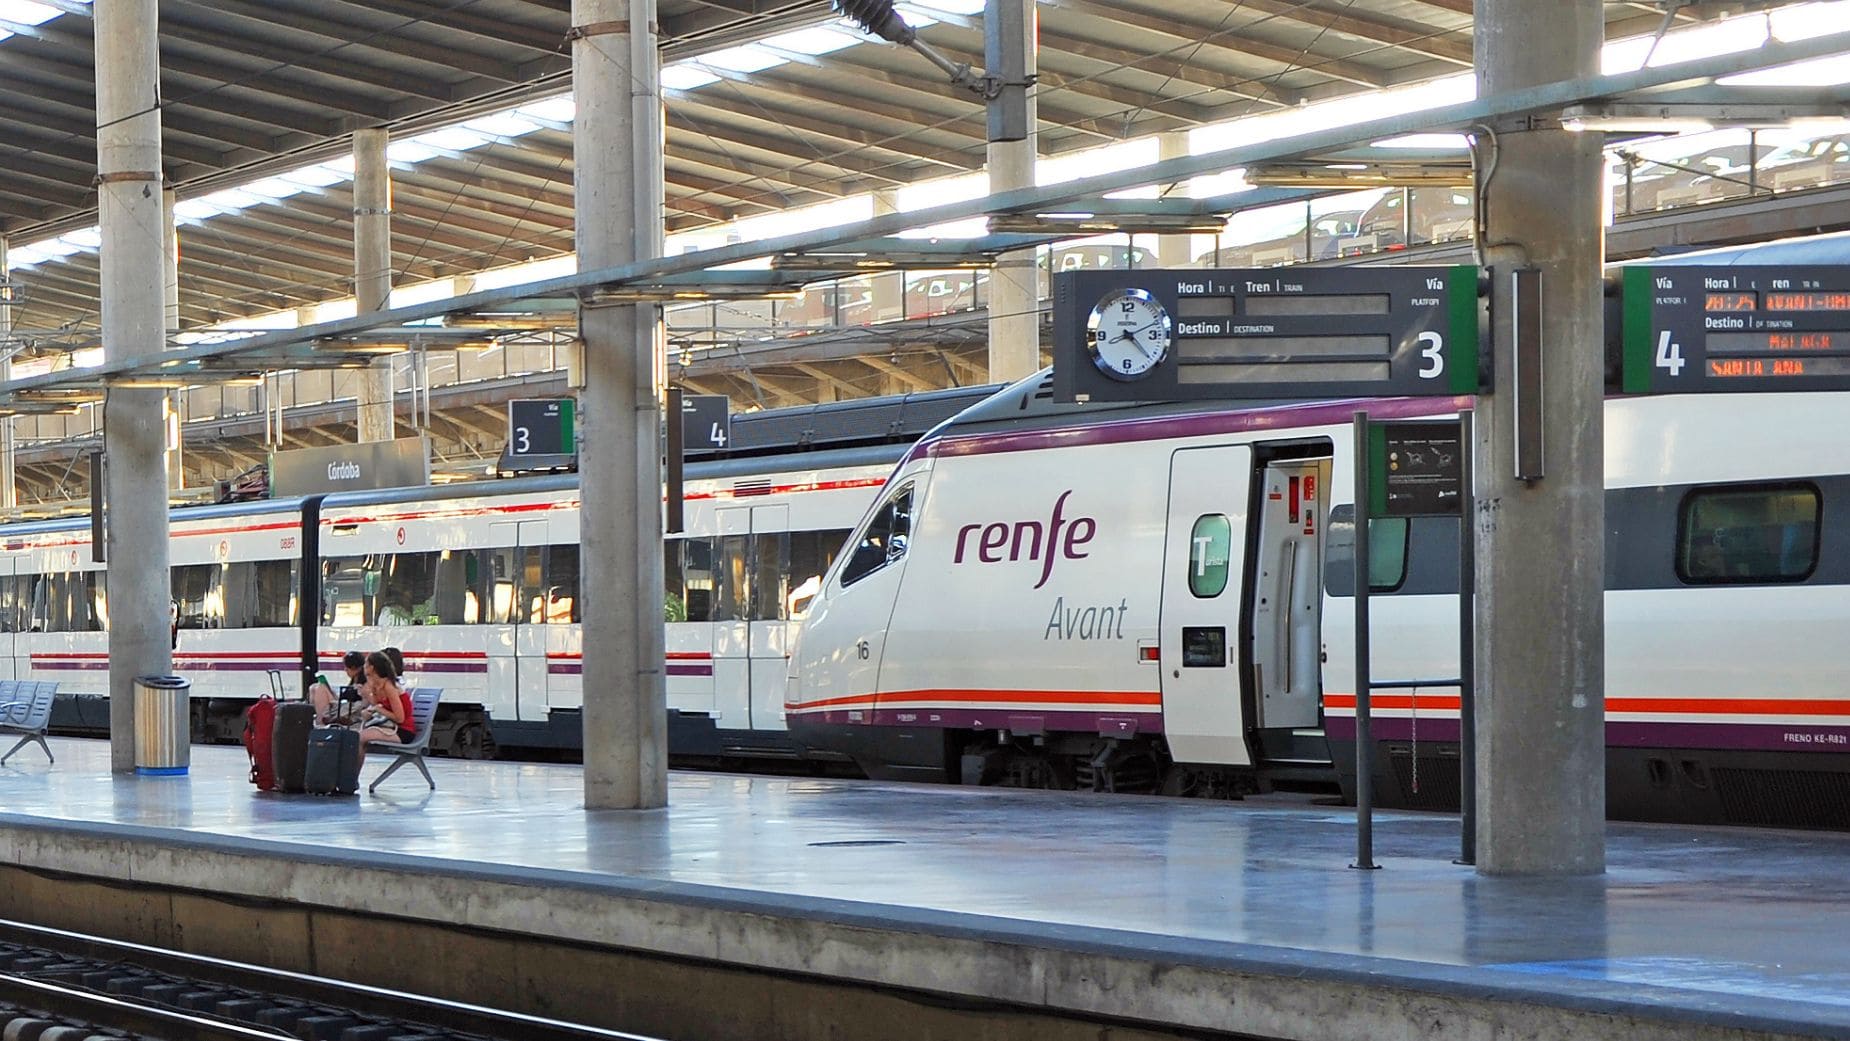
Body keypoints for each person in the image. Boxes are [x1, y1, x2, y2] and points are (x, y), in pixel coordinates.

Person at [356, 649, 414, 765]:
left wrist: (378, 709)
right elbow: (377, 706)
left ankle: (352, 778)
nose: (363, 668)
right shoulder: (375, 686)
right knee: (354, 736)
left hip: (403, 731)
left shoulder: (389, 686)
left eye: (365, 665)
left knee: (359, 738)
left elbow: (400, 718)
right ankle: (352, 777)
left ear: (371, 668)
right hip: (388, 726)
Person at [309, 651, 367, 725]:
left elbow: (359, 702)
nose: (345, 669)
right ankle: (319, 718)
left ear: (355, 668)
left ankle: (320, 720)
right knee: (314, 687)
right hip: (343, 706)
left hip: (347, 709)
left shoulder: (362, 685)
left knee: (320, 689)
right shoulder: (354, 682)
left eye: (347, 667)